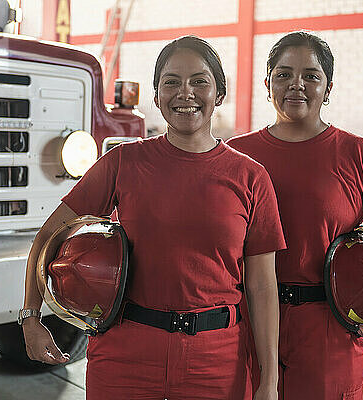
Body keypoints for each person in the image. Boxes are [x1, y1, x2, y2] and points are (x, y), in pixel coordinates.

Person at [21, 35, 286, 400]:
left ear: (220, 94)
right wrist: (31, 317)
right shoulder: (123, 162)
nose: (185, 92)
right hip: (125, 357)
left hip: (215, 362)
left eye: (200, 81)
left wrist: (268, 381)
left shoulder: (251, 178)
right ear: (158, 95)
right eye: (172, 82)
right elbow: (48, 237)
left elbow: (262, 288)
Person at [227, 31, 363, 400]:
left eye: (311, 75)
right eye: (283, 74)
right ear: (267, 84)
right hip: (243, 329)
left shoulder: (359, 156)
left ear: (328, 88)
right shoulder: (233, 156)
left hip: (329, 334)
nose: (296, 84)